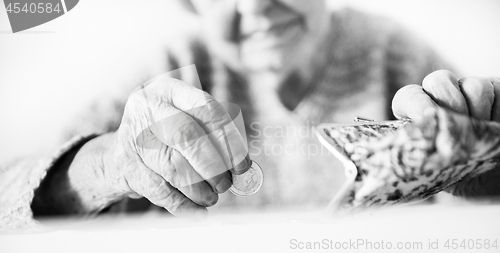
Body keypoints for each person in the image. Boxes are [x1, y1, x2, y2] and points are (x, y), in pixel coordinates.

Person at [1, 0, 497, 230]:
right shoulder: (163, 71)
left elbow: (482, 181)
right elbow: (11, 204)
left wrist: (485, 175)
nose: (257, 8)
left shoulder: (394, 52)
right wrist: (107, 165)